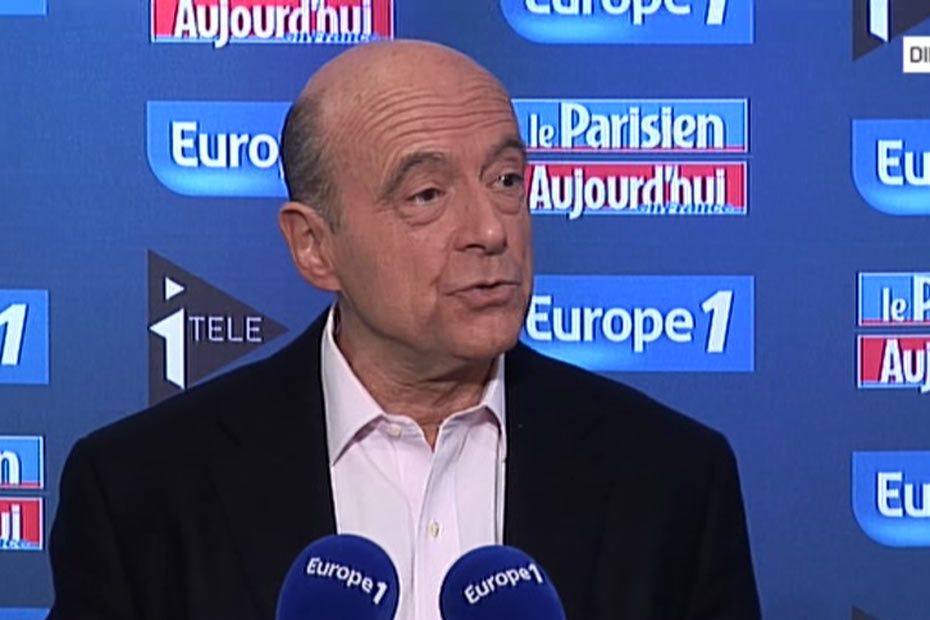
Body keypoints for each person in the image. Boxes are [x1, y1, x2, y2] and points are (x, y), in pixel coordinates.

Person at [47, 40, 761, 620]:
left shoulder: (671, 478)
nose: (490, 230)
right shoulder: (143, 491)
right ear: (314, 247)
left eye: (506, 180)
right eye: (426, 194)